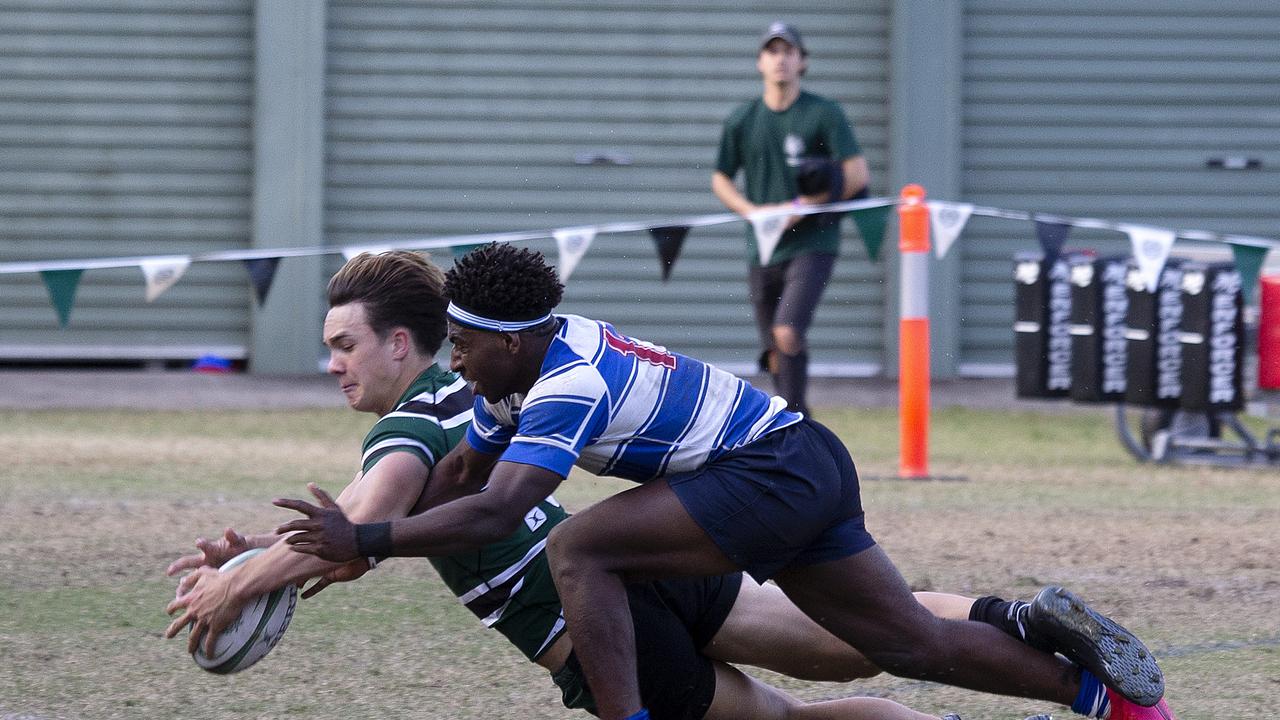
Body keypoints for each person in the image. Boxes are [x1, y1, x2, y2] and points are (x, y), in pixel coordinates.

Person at [274, 243, 1175, 720]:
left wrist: (371, 538)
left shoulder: (565, 384)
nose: (455, 362)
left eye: (463, 346)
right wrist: (351, 550)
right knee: (905, 643)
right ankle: (1097, 689)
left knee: (580, 545)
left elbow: (501, 508)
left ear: (508, 339)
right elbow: (465, 472)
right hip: (798, 461)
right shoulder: (520, 366)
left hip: (774, 471)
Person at [711, 21, 871, 416]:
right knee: (773, 346)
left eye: (789, 52)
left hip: (813, 242)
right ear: (760, 63)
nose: (780, 59)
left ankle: (798, 418)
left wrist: (802, 207)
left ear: (802, 62)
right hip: (763, 244)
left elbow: (857, 176)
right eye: (772, 51)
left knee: (788, 330)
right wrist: (753, 212)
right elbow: (720, 178)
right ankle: (787, 419)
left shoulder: (824, 113)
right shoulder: (742, 119)